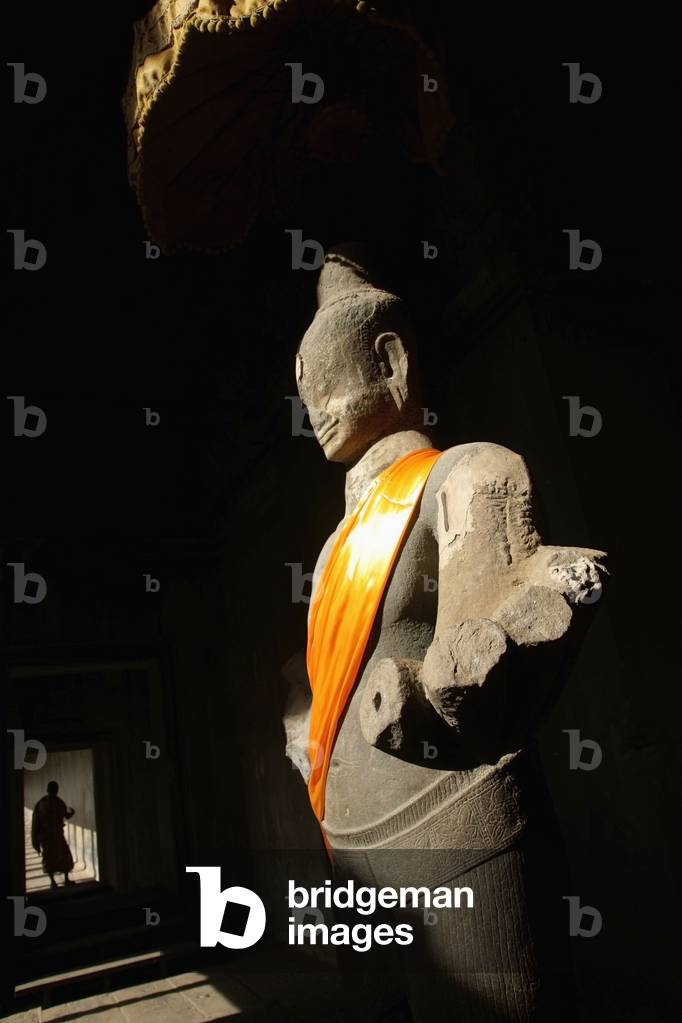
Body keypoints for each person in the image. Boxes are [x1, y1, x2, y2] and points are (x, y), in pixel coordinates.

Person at [31, 781, 76, 889]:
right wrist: (72, 812)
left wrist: (36, 838)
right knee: (64, 855)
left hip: (46, 836)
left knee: (49, 858)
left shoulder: (41, 803)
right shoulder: (59, 802)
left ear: (47, 789)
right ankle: (66, 880)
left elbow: (35, 822)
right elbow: (67, 815)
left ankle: (53, 883)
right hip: (56, 835)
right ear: (56, 789)